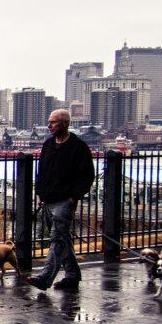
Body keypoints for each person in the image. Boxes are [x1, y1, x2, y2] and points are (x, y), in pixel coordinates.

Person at [24, 109, 96, 291]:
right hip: (48, 200)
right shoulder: (48, 144)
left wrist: (73, 197)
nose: (49, 126)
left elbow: (87, 176)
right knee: (63, 238)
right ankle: (72, 275)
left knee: (57, 238)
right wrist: (41, 194)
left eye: (53, 122)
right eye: (49, 122)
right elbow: (42, 172)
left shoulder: (78, 147)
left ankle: (45, 278)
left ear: (64, 124)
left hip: (65, 201)